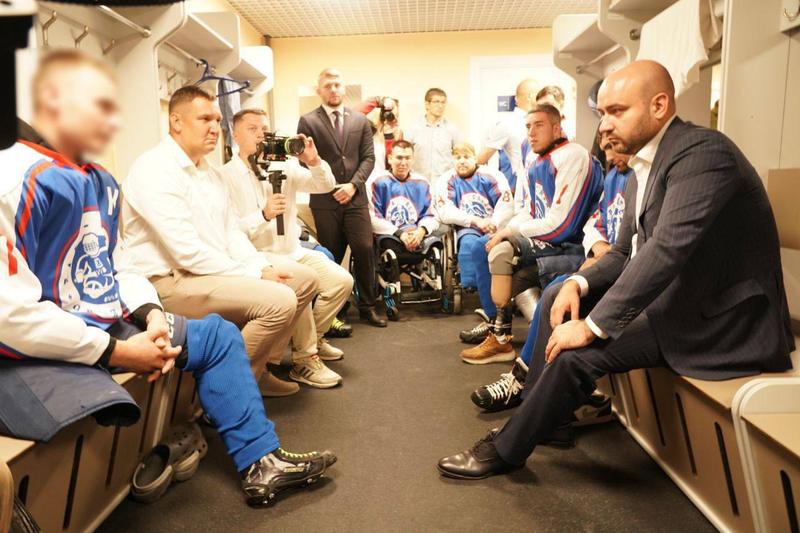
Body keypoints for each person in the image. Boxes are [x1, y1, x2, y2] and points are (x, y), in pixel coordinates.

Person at [0, 50, 335, 507]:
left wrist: (151, 315)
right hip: (48, 341)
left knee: (218, 337)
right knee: (108, 404)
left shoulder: (97, 179)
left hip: (109, 318)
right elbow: (10, 314)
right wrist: (116, 350)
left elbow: (118, 266)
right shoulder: (15, 180)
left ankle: (261, 461)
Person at [438, 60, 795, 480]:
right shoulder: (641, 168)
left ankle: (507, 449)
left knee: (577, 354)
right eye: (602, 112)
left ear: (659, 106)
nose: (604, 124)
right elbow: (625, 250)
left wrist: (593, 327)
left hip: (723, 320)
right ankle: (549, 422)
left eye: (617, 111)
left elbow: (666, 249)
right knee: (555, 298)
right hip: (680, 300)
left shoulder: (703, 153)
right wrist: (577, 282)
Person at [122, 86, 317, 398]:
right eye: (204, 119)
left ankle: (258, 371)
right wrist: (254, 274)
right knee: (280, 300)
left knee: (304, 280)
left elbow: (231, 234)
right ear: (176, 122)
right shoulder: (155, 169)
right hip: (169, 281)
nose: (215, 127)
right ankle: (224, 394)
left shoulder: (210, 174)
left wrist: (261, 267)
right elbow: (187, 253)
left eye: (216, 119)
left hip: (206, 270)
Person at [471, 144, 633, 420]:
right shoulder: (612, 176)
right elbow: (596, 223)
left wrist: (604, 260)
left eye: (616, 144)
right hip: (597, 258)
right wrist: (599, 248)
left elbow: (566, 227)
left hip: (599, 261)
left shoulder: (635, 175)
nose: (609, 154)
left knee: (555, 288)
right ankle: (499, 334)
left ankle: (525, 381)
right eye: (606, 145)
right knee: (518, 272)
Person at [459, 105, 603, 364]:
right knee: (483, 246)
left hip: (570, 243)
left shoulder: (572, 155)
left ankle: (502, 337)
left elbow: (562, 226)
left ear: (557, 128)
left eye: (539, 125)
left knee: (502, 252)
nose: (531, 133)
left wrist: (509, 234)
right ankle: (496, 328)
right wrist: (504, 230)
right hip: (549, 237)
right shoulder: (536, 163)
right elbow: (529, 211)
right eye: (528, 127)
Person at [221, 108, 353, 388]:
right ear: (235, 134)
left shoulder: (283, 165)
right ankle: (305, 359)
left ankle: (314, 339)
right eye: (253, 129)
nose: (261, 135)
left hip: (293, 250)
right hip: (258, 257)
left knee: (342, 281)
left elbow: (325, 185)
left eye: (264, 129)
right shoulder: (225, 177)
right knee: (298, 282)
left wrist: (314, 161)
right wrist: (263, 215)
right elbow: (229, 232)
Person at [297, 68, 386, 327]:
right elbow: (303, 160)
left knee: (365, 249)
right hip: (325, 201)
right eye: (328, 85)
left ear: (343, 88)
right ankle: (337, 308)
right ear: (319, 90)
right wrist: (329, 183)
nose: (334, 89)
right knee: (331, 254)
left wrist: (353, 185)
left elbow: (368, 158)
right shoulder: (308, 121)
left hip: (356, 199)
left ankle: (368, 306)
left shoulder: (360, 121)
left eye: (337, 85)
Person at [434, 142, 513, 290]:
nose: (462, 161)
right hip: (467, 227)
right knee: (468, 244)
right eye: (458, 157)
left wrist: (494, 223)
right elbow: (445, 211)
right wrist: (475, 221)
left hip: (495, 225)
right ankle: (472, 284)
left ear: (475, 159)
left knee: (498, 250)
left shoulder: (493, 176)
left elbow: (506, 203)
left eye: (466, 157)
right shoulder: (446, 179)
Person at [368, 140, 440, 265]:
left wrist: (421, 231)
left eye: (407, 158)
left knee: (434, 246)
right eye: (399, 158)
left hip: (415, 233)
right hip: (389, 234)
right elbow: (373, 218)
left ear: (413, 160)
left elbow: (432, 215)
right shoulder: (376, 182)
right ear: (390, 159)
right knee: (395, 252)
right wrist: (400, 234)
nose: (403, 163)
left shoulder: (423, 183)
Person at [477, 79, 538, 194]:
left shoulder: (539, 120)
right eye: (539, 94)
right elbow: (481, 158)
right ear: (530, 96)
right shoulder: (507, 123)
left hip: (542, 182)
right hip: (522, 186)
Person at [405, 88, 463, 185]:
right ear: (427, 104)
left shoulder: (452, 130)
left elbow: (460, 156)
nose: (440, 106)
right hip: (418, 183)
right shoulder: (413, 129)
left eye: (443, 102)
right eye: (436, 102)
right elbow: (405, 156)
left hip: (445, 184)